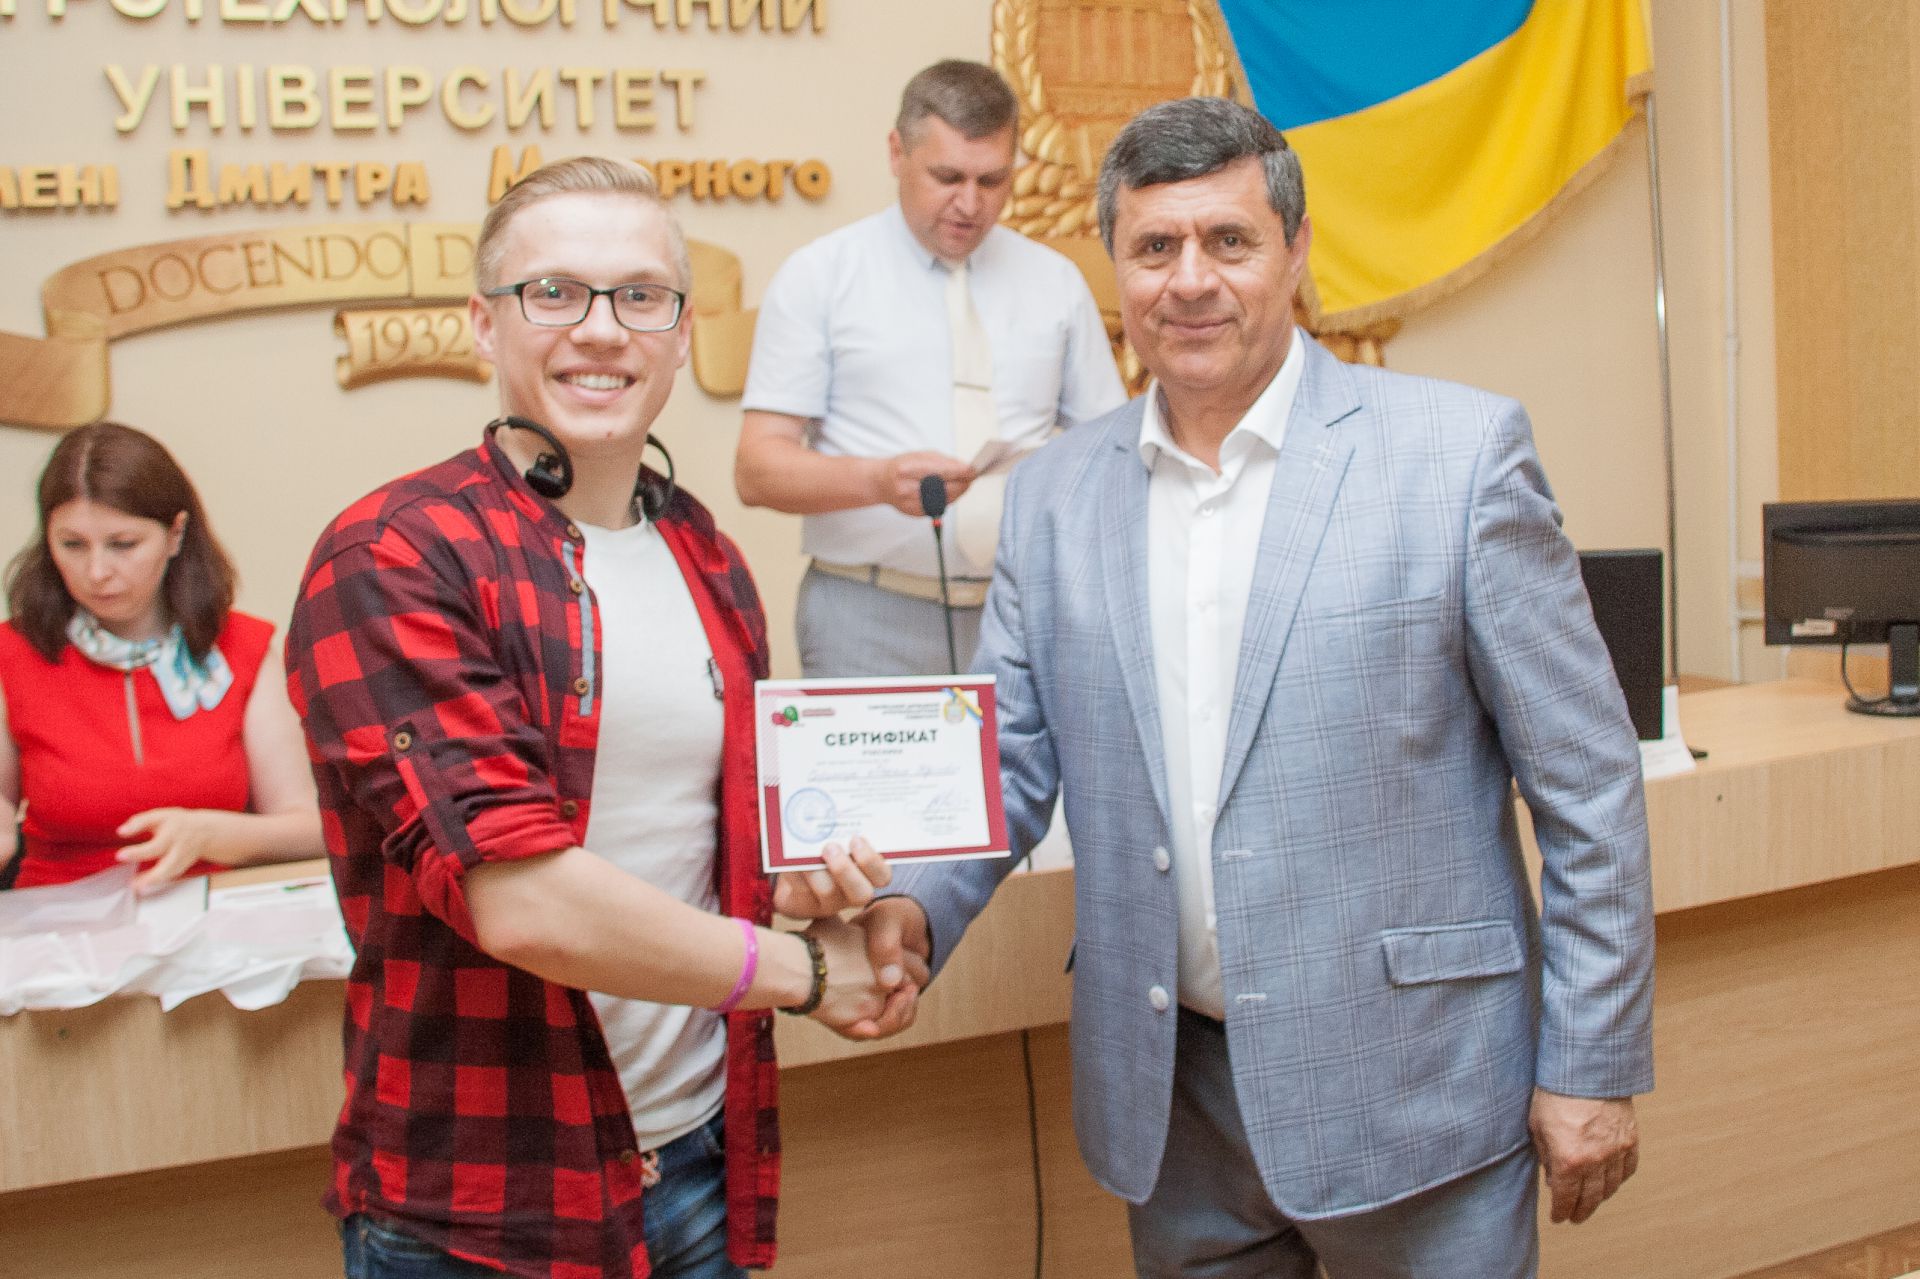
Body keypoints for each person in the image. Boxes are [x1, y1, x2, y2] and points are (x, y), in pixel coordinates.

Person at [862, 98, 1655, 1277]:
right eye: (1154, 247)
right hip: (1177, 1110)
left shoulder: (1458, 459)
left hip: (1419, 1089)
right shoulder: (1053, 497)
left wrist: (1590, 1062)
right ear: (1117, 269)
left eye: (1228, 240)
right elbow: (1007, 761)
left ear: (1295, 252)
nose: (1190, 280)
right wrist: (914, 909)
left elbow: (1587, 783)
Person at [286, 157, 914, 1279]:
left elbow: (708, 847)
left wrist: (812, 894)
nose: (601, 329)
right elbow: (520, 898)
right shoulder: (396, 552)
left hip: (702, 1157)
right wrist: (809, 974)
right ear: (484, 324)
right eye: (554, 292)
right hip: (486, 1207)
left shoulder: (706, 552)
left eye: (640, 296)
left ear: (680, 333)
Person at [735, 58, 1127, 678]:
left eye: (992, 180)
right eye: (947, 177)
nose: (970, 204)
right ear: (897, 153)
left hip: (1024, 615)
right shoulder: (821, 276)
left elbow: (1110, 453)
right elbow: (757, 471)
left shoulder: (1056, 283)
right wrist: (877, 481)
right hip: (867, 614)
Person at [0, 422, 323, 894]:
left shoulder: (243, 647)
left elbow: (310, 829)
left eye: (123, 544)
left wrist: (210, 835)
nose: (97, 571)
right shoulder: (12, 652)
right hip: (58, 916)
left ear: (175, 534)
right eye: (72, 545)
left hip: (209, 910)